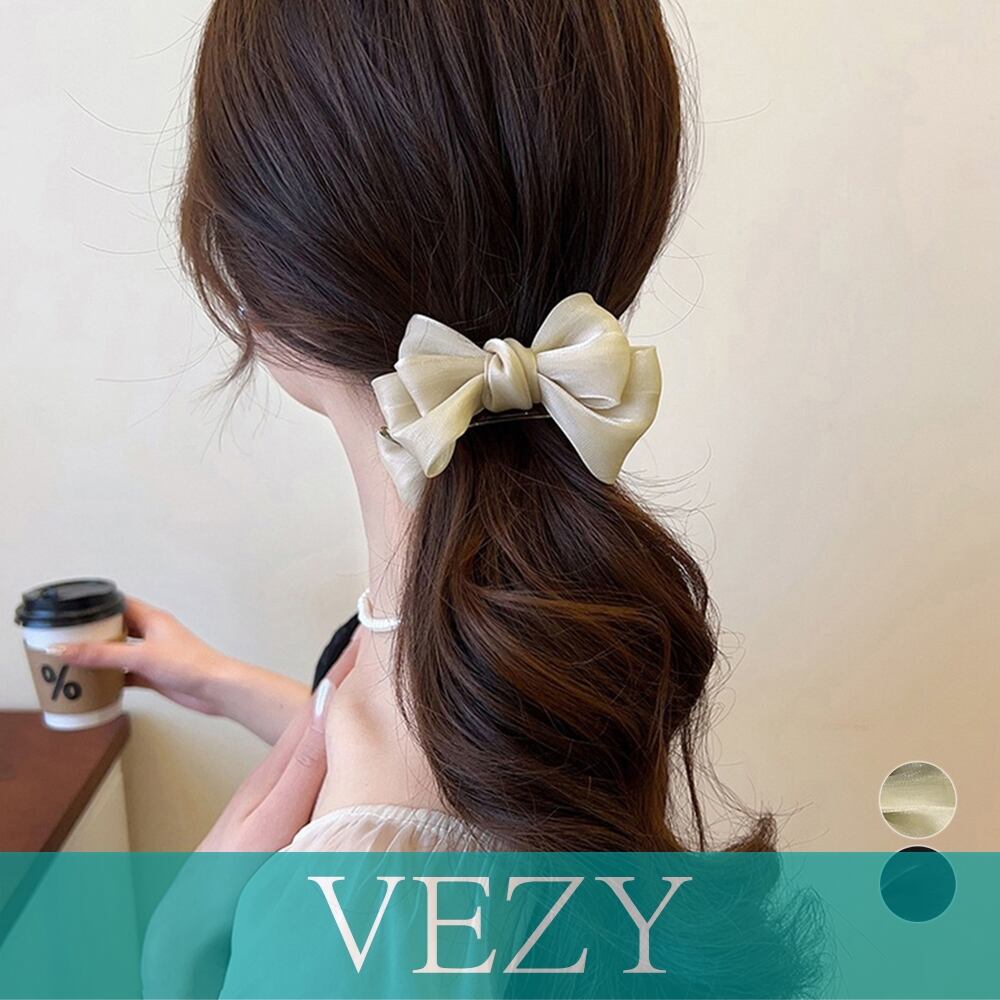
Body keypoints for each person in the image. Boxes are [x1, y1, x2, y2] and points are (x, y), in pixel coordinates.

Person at [51, 0, 775, 857]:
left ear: (250, 276)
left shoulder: (348, 897)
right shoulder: (546, 623)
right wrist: (226, 683)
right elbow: (437, 788)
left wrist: (181, 940)